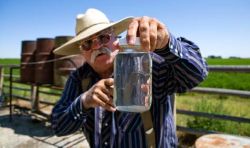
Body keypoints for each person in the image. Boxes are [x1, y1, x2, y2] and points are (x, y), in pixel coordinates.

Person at [51, 8, 208, 148]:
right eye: (87, 44)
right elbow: (58, 126)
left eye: (103, 37)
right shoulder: (78, 78)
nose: (97, 46)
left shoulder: (148, 64)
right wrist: (84, 101)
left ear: (116, 39)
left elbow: (197, 74)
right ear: (82, 52)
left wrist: (166, 43)